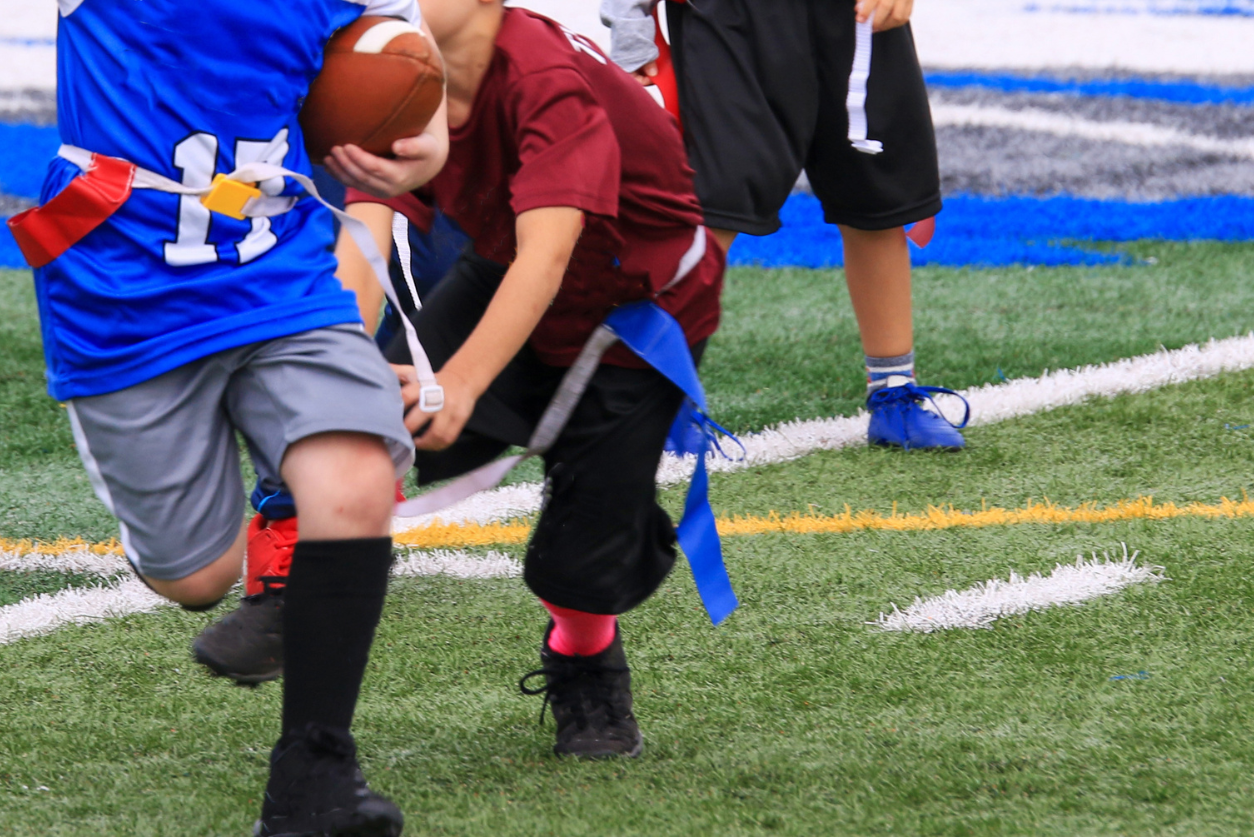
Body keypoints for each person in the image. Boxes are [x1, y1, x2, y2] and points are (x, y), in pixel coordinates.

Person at [201, 0, 727, 759]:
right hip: (508, 266)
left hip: (638, 307)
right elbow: (367, 235)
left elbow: (551, 252)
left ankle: (585, 654)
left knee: (576, 561)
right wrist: (329, 370)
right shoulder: (400, 69)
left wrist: (466, 381)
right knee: (376, 412)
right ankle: (295, 581)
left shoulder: (541, 75)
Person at [7, 0, 448, 833]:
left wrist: (429, 134)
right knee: (196, 578)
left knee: (353, 479)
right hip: (124, 291)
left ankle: (314, 780)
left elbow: (399, 41)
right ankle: (181, 551)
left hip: (276, 267)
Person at [600, 0, 970, 449]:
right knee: (716, 200)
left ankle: (893, 387)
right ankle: (655, 398)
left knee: (876, 196)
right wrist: (630, 29)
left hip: (853, 14)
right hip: (731, 17)